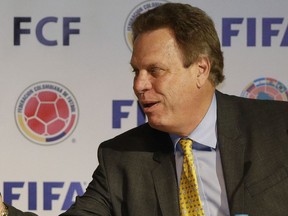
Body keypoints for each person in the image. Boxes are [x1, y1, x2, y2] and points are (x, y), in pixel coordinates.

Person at [1, 2, 288, 216]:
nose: (139, 85)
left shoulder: (277, 128)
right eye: (136, 71)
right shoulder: (122, 159)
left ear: (201, 69)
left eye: (155, 70)